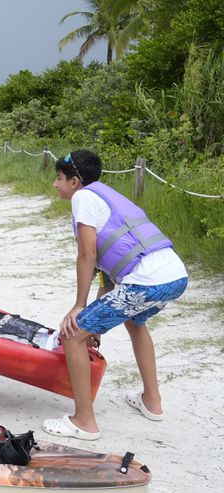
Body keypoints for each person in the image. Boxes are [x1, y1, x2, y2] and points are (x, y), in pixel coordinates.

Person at [42, 149, 188, 440]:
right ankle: (152, 402)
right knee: (134, 321)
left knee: (72, 335)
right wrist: (94, 325)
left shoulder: (83, 198)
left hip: (145, 282)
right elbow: (109, 282)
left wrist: (79, 308)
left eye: (59, 178)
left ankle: (83, 421)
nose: (56, 184)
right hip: (175, 276)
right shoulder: (106, 196)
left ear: (74, 181)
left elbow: (87, 255)